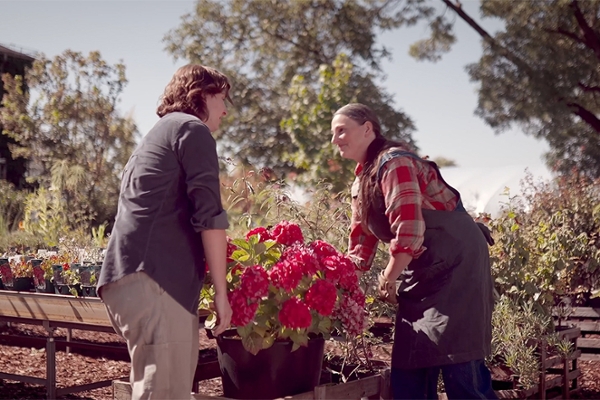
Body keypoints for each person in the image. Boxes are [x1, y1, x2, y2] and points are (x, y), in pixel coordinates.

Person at [331, 103, 497, 400]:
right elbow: (361, 242)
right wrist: (338, 284)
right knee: (409, 370)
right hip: (422, 268)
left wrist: (389, 277)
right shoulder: (362, 181)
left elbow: (409, 227)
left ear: (367, 129)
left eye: (341, 130)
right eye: (333, 133)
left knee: (461, 369)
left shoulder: (394, 164)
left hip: (457, 267)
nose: (335, 139)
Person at [97, 64, 233, 400]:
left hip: (131, 281)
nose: (226, 109)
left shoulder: (158, 135)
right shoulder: (192, 130)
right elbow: (210, 218)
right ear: (200, 95)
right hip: (154, 281)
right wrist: (221, 294)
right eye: (222, 98)